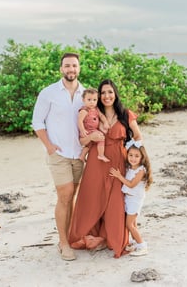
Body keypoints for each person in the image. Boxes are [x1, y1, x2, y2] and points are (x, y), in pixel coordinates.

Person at [69, 79, 143, 258]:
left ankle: (114, 238)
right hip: (97, 159)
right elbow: (82, 140)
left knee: (116, 200)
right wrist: (91, 137)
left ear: (115, 93)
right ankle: (89, 234)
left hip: (118, 159)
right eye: (103, 93)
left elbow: (138, 137)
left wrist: (135, 160)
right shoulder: (92, 112)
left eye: (110, 92)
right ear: (98, 96)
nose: (106, 96)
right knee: (92, 196)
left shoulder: (125, 114)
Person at [32, 52, 86, 261]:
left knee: (73, 196)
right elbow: (37, 122)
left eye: (74, 66)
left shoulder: (86, 93)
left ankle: (69, 237)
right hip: (59, 155)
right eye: (67, 66)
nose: (71, 69)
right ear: (61, 69)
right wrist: (49, 146)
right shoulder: (49, 93)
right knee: (64, 196)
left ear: (79, 68)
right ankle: (64, 243)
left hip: (80, 155)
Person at [109, 139, 153, 256]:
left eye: (136, 156)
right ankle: (135, 242)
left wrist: (119, 176)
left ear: (142, 157)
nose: (133, 158)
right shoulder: (130, 167)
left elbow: (132, 184)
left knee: (129, 225)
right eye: (131, 155)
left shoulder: (141, 170)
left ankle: (142, 245)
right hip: (129, 198)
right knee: (133, 224)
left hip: (135, 200)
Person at [78, 87, 110, 162]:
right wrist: (82, 130)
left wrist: (105, 122)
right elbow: (79, 121)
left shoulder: (96, 109)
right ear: (83, 100)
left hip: (93, 130)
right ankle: (101, 155)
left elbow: (101, 116)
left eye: (94, 100)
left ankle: (82, 156)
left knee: (89, 145)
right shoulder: (84, 110)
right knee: (101, 138)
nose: (92, 102)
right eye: (89, 100)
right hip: (87, 130)